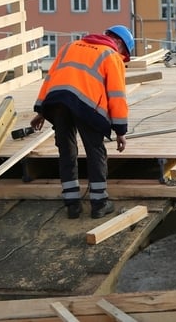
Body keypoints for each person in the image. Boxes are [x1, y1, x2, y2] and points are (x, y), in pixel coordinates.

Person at [30, 25, 133, 219]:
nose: (122, 57)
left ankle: (72, 206)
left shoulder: (69, 46)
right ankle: (99, 204)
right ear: (119, 43)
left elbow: (50, 79)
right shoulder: (110, 56)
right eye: (124, 54)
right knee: (95, 151)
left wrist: (41, 110)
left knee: (66, 150)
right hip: (86, 106)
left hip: (58, 102)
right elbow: (117, 96)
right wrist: (120, 131)